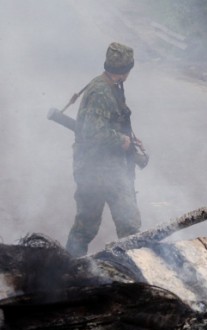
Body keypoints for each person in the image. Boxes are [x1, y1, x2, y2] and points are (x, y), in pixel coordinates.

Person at [66, 42, 148, 257]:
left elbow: (108, 122)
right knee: (128, 226)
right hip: (103, 170)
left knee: (85, 226)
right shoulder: (102, 91)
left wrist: (130, 137)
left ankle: (67, 269)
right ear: (126, 70)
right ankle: (137, 270)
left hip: (95, 168)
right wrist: (120, 140)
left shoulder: (107, 86)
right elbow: (95, 132)